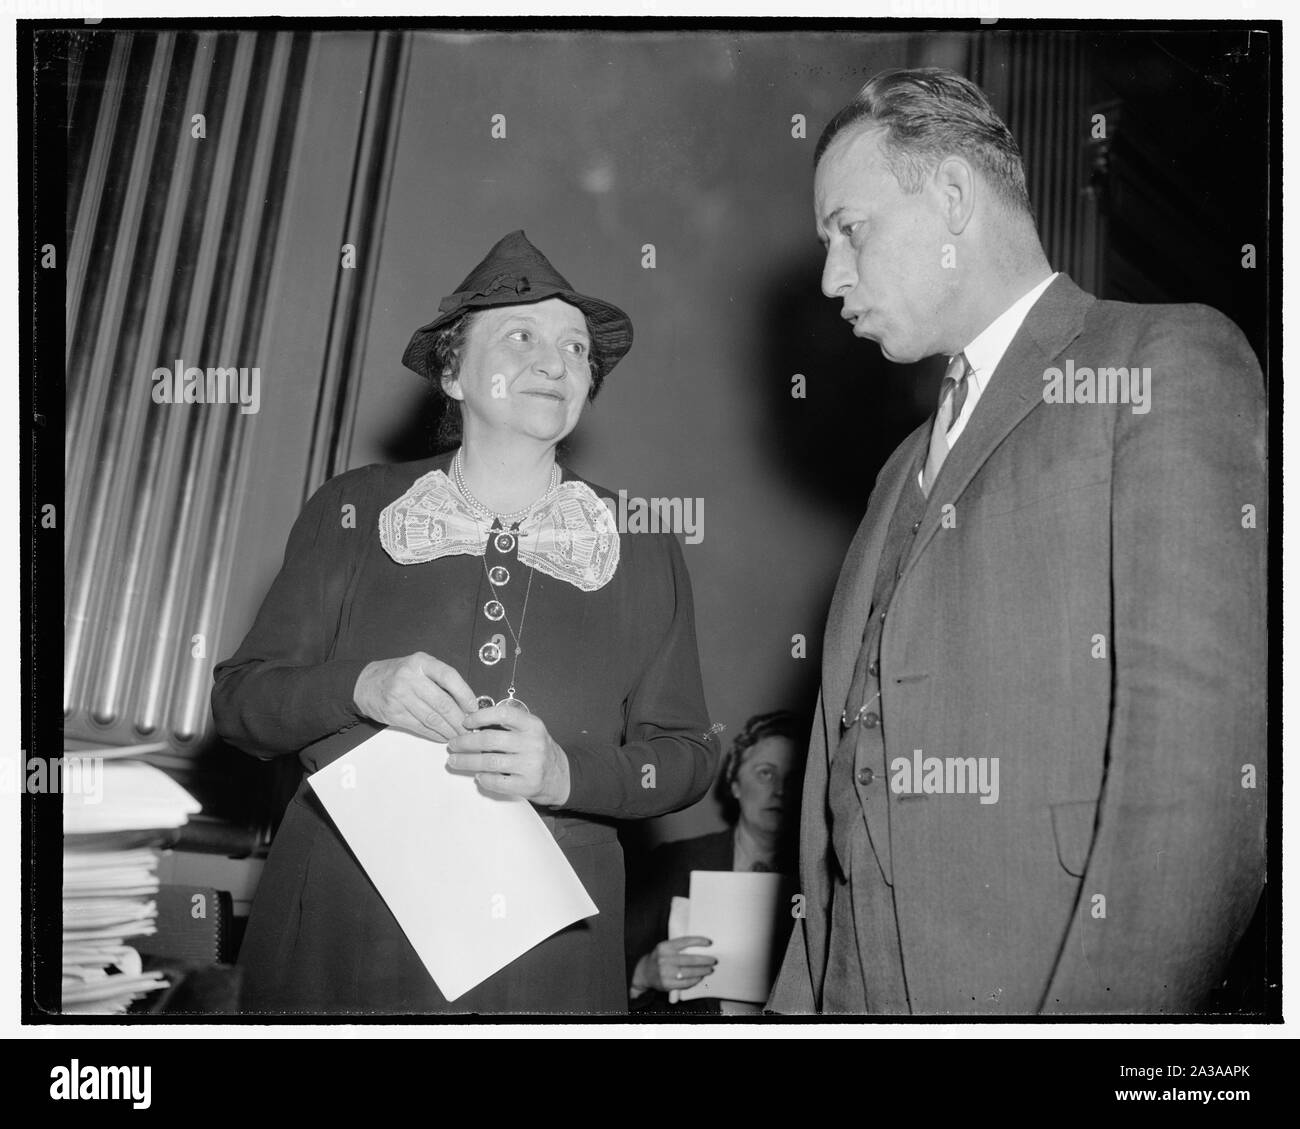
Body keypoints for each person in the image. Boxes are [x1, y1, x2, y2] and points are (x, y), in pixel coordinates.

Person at [768, 68, 1267, 1015]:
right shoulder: (895, 470)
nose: (832, 277)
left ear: (953, 196)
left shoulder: (1164, 360)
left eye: (849, 229)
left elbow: (1199, 790)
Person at [212, 230, 719, 1014]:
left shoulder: (643, 541)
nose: (556, 362)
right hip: (347, 936)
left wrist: (566, 773)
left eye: (577, 348)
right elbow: (241, 704)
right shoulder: (354, 507)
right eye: (522, 335)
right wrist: (362, 686)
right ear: (452, 370)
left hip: (549, 959)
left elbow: (687, 755)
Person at [625, 711, 806, 1015]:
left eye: (794, 778)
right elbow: (611, 965)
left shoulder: (823, 875)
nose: (780, 789)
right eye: (765, 772)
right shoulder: (673, 862)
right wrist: (643, 974)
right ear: (734, 783)